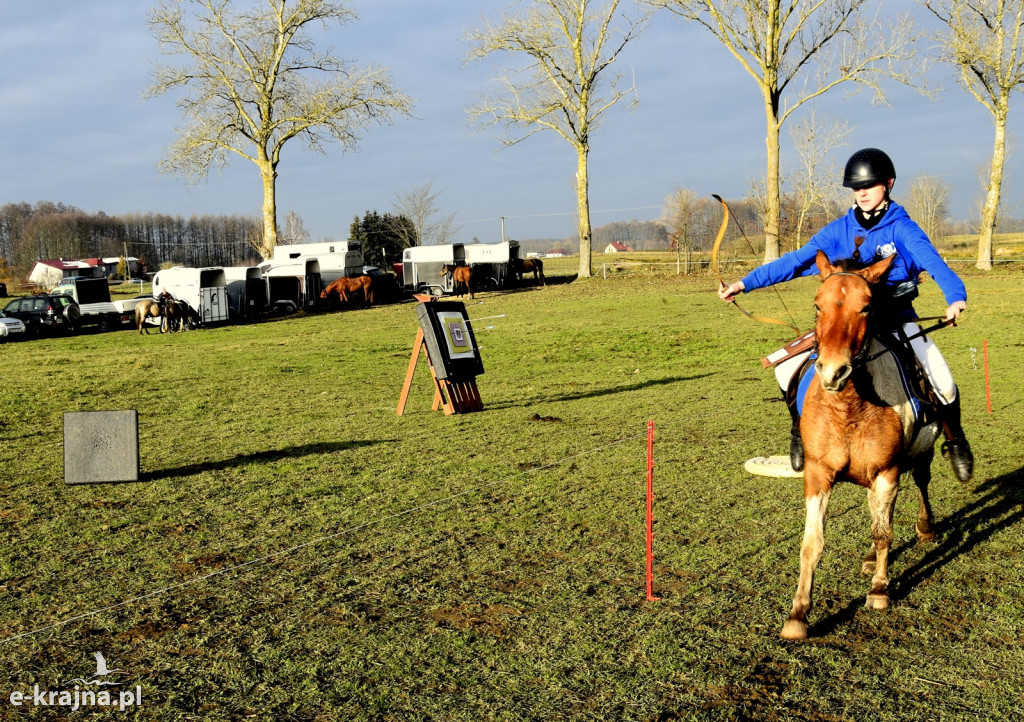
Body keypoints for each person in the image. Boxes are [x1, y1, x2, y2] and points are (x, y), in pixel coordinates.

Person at [718, 148, 973, 482]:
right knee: (785, 370)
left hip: (896, 320)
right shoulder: (838, 230)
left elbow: (934, 263)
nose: (863, 192)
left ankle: (956, 441)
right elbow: (795, 261)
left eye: (870, 185)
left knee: (944, 383)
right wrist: (743, 283)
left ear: (888, 184)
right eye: (856, 187)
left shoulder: (904, 230)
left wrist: (955, 297)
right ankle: (799, 431)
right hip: (846, 326)